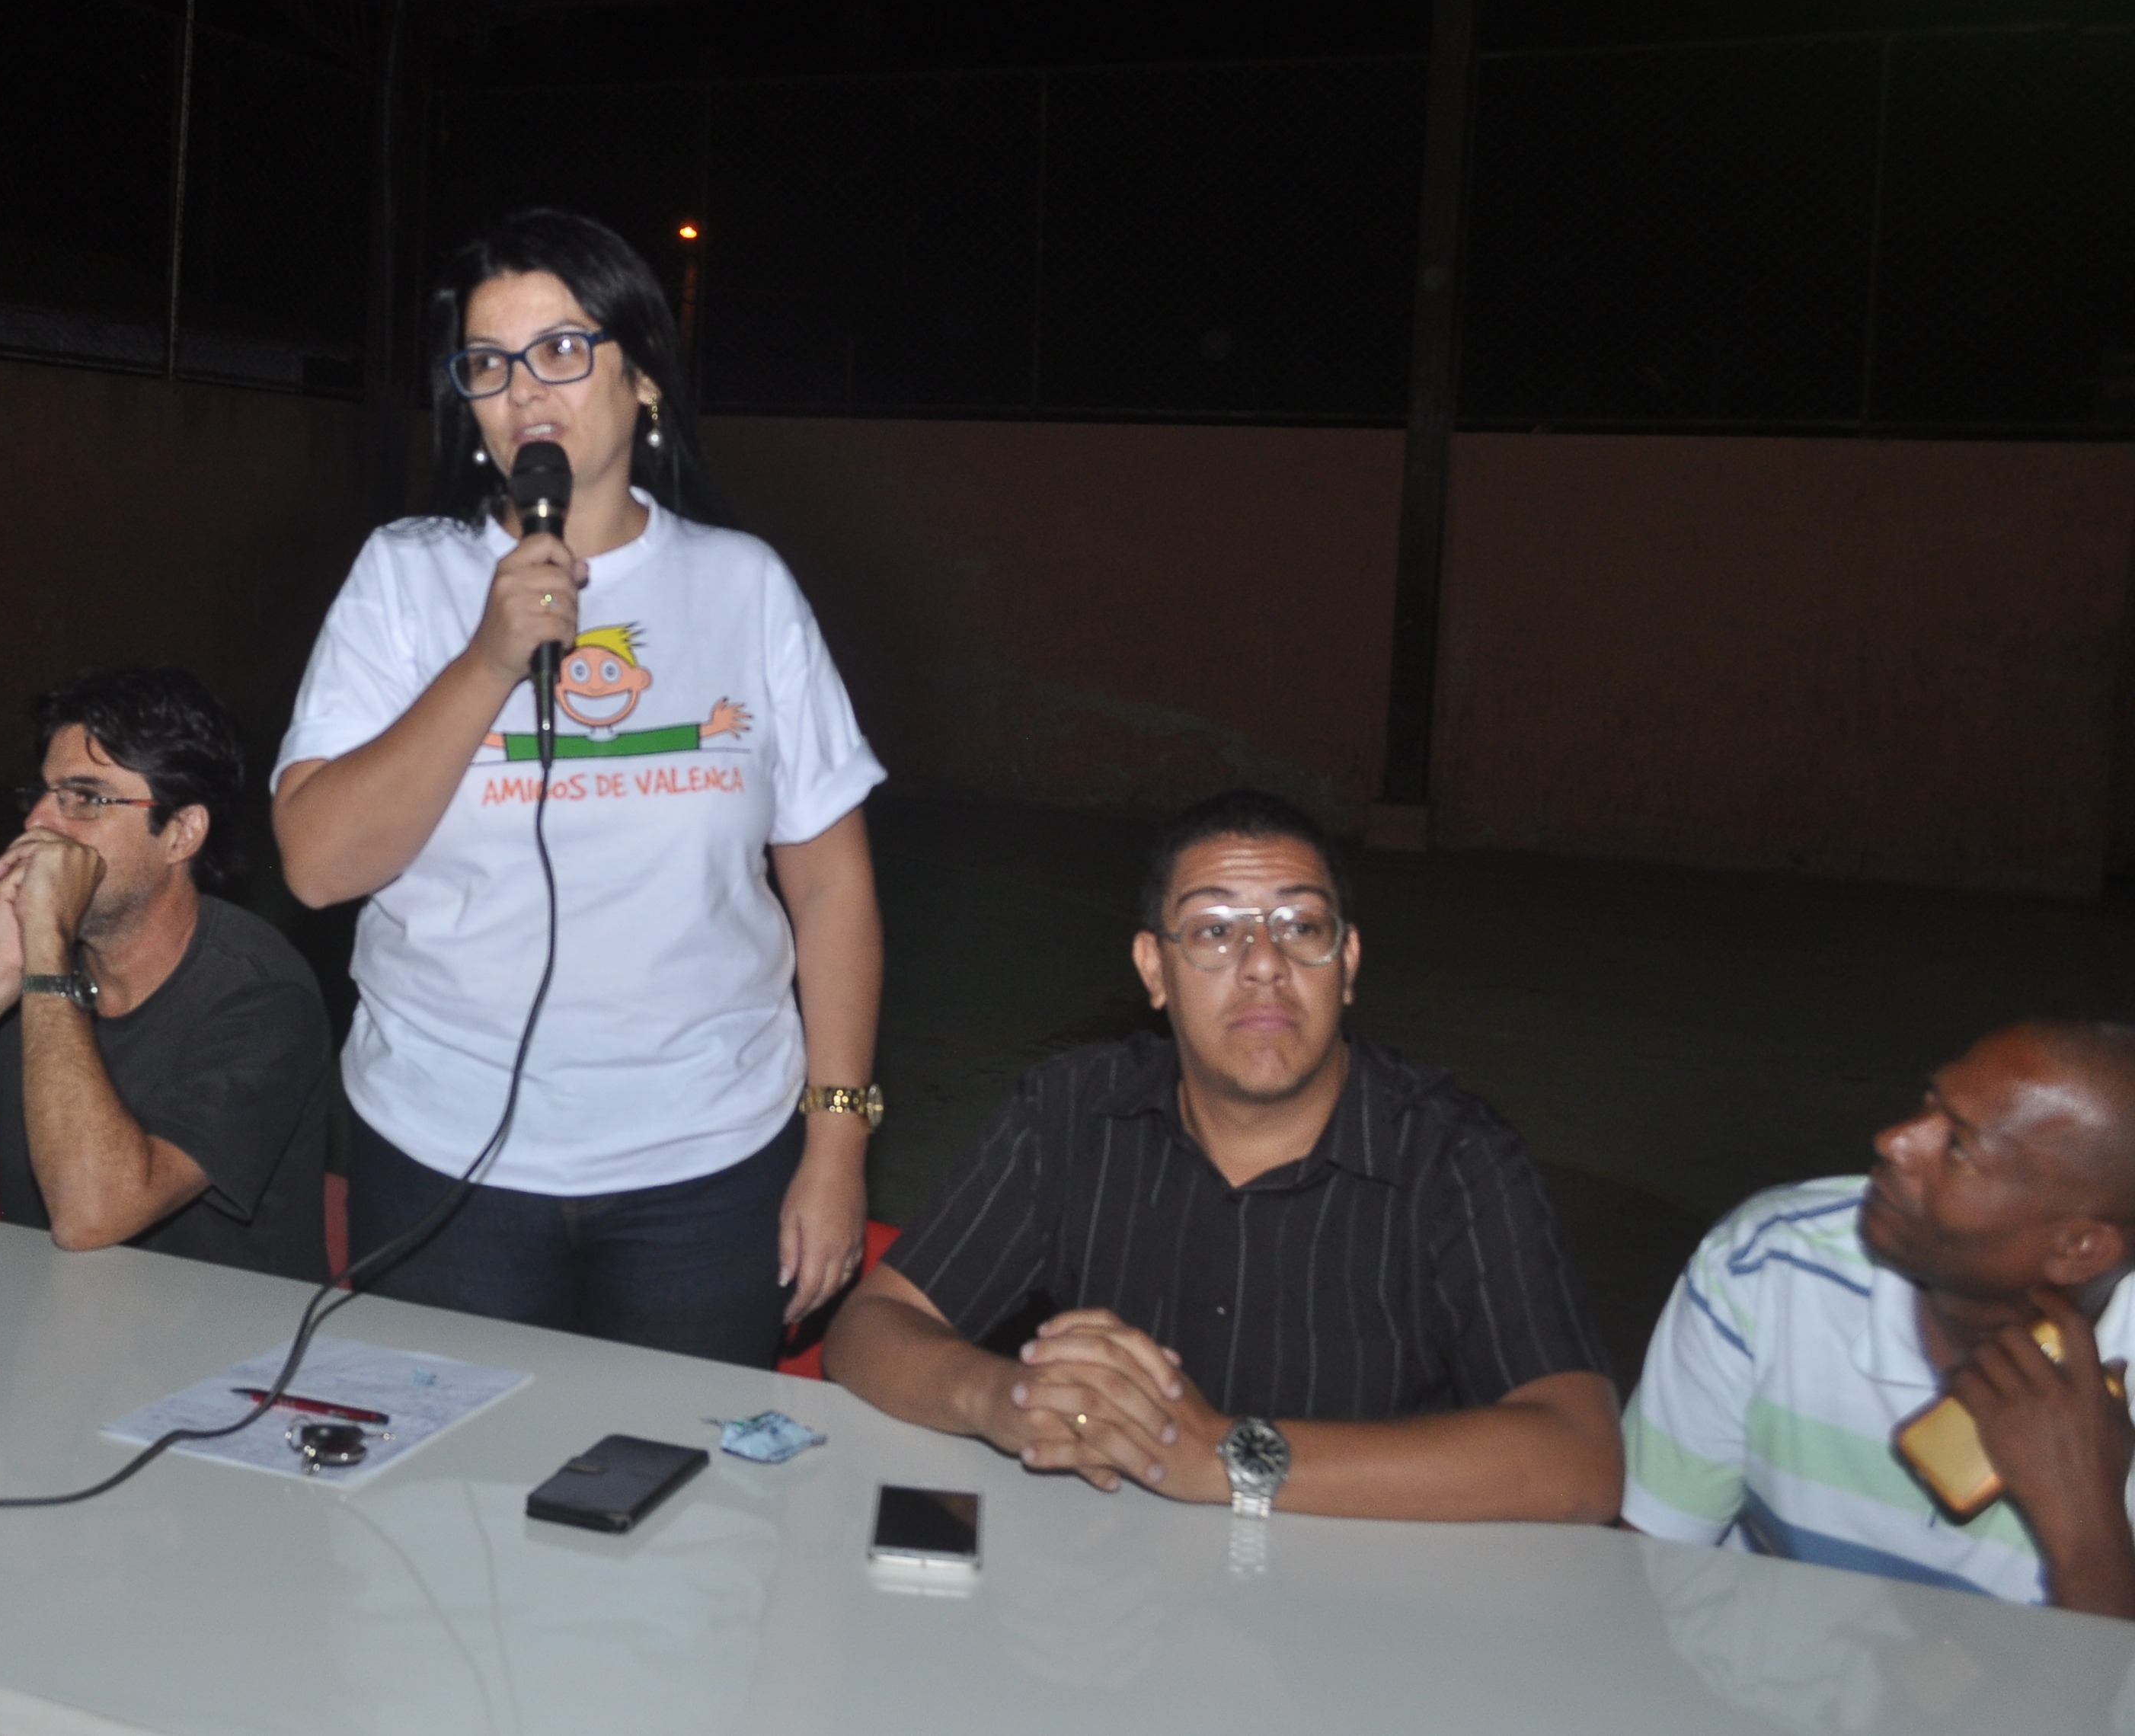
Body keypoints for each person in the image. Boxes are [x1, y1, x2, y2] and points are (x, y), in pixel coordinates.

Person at [269, 206, 887, 1367]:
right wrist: (486, 660)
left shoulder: (744, 586)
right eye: (488, 363)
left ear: (642, 375)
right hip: (444, 1157)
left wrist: (838, 1140)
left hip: (708, 1163)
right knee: (452, 1472)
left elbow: (831, 887)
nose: (523, 393)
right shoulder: (403, 578)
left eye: (560, 349)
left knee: (684, 1473)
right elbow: (316, 864)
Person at [825, 788, 1620, 1522]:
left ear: (1345, 965)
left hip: (1361, 1601)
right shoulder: (1072, 1112)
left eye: (1300, 927)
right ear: (1155, 969)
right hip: (1115, 1600)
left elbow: (1581, 1457)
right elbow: (870, 1328)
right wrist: (1002, 1397)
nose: (1264, 963)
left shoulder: (1452, 1157)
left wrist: (1227, 1456)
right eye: (1213, 930)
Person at [0, 667, 329, 1276]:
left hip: (226, 1327)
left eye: (86, 798)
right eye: (44, 793)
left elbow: (90, 1216)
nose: (39, 821)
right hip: (46, 1316)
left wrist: (46, 957)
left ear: (182, 833)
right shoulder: (1, 952)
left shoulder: (261, 993)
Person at [1622, 1021, 2135, 1616]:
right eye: (1928, 1103)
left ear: (2078, 1249)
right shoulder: (1775, 1260)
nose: (1894, 1140)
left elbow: (2114, 1680)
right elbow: (1641, 1576)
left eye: (1958, 1145)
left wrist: (2085, 1517)